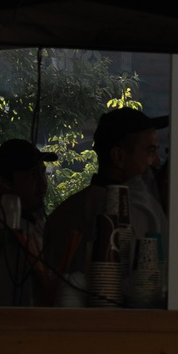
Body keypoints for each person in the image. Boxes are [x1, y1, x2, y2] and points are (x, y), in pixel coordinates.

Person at [40, 104, 168, 306]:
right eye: (150, 151)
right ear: (119, 156)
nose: (156, 163)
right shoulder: (135, 212)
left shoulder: (62, 213)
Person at [0, 138, 59, 307]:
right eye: (32, 175)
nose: (42, 183)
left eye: (43, 173)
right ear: (5, 184)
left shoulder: (40, 224)